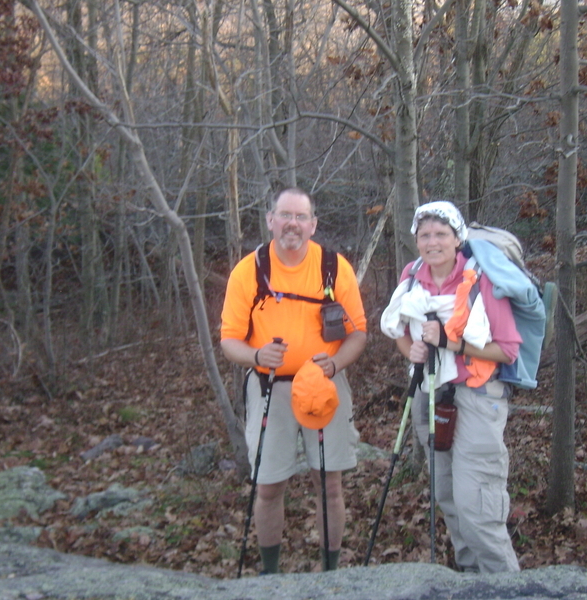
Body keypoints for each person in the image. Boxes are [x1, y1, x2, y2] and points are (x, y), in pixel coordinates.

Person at [220, 187, 367, 573]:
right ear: (270, 220)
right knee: (268, 487)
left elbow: (358, 333)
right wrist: (256, 356)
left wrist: (334, 367)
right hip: (269, 388)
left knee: (329, 485)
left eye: (301, 217)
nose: (293, 224)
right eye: (285, 215)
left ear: (313, 225)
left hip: (325, 386)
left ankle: (330, 572)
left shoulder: (334, 267)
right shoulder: (249, 270)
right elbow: (229, 340)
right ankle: (270, 575)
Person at [380, 200, 523, 573]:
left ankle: (505, 586)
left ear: (457, 238)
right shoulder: (412, 278)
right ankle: (471, 580)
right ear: (416, 240)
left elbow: (507, 349)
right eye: (424, 234)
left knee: (476, 502)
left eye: (441, 233)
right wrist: (410, 348)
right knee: (448, 495)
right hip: (430, 392)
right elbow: (400, 330)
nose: (433, 242)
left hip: (477, 394)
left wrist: (450, 342)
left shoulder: (481, 280)